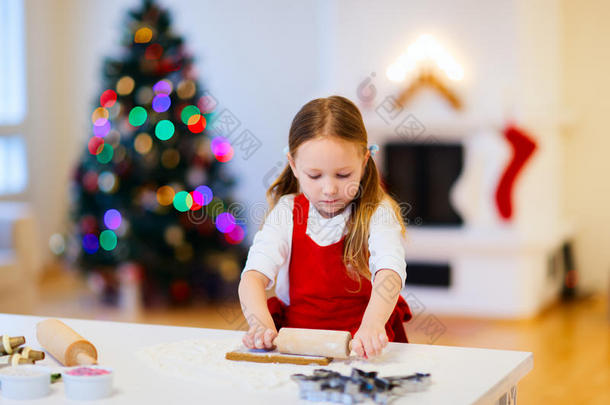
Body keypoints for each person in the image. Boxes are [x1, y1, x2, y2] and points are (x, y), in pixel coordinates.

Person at [238, 95, 412, 359]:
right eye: (315, 176)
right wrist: (260, 325)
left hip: (360, 343)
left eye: (344, 175)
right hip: (299, 344)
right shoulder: (287, 212)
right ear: (294, 165)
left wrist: (373, 325)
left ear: (365, 163)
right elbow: (251, 278)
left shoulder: (377, 211)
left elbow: (390, 272)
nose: (329, 189)